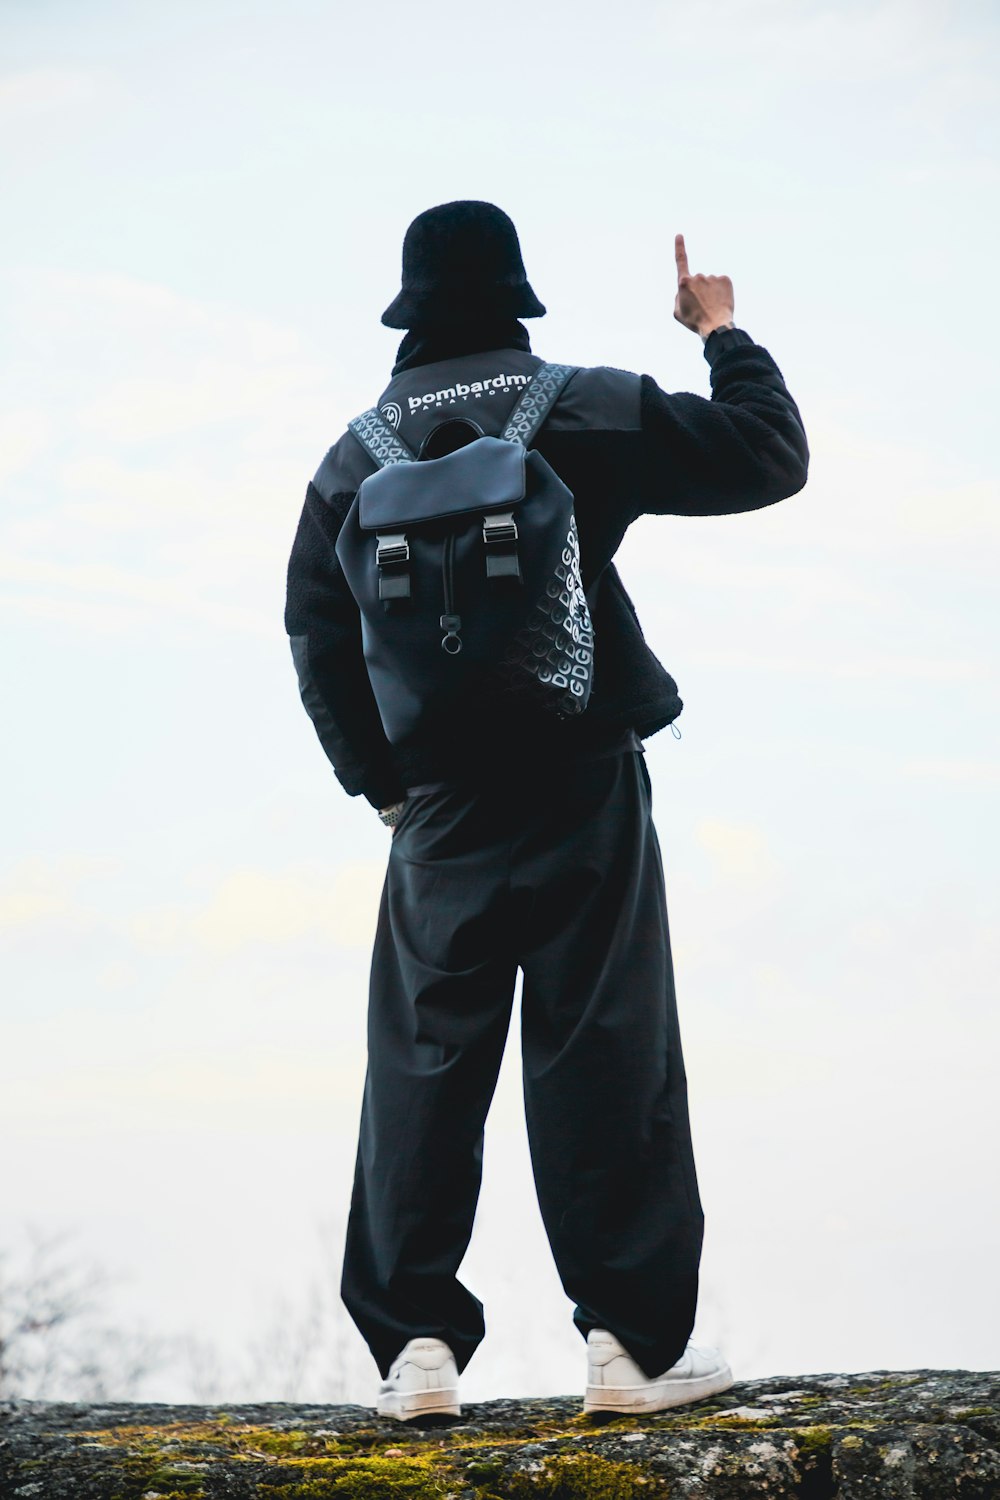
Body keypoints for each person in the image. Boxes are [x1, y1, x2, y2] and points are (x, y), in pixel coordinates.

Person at [284, 200, 809, 1420]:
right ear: (517, 296)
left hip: (442, 805)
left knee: (423, 1057)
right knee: (604, 1044)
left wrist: (382, 782)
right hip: (579, 766)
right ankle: (628, 1351)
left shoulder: (352, 458)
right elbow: (765, 455)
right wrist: (720, 331)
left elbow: (316, 632)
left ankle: (415, 1352)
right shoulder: (581, 403)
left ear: (407, 311)